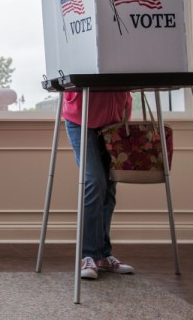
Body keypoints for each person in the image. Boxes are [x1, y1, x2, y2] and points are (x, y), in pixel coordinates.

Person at [62, 90, 135, 280]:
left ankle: (102, 255)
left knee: (110, 186)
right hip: (80, 118)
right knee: (94, 181)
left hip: (115, 119)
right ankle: (89, 255)